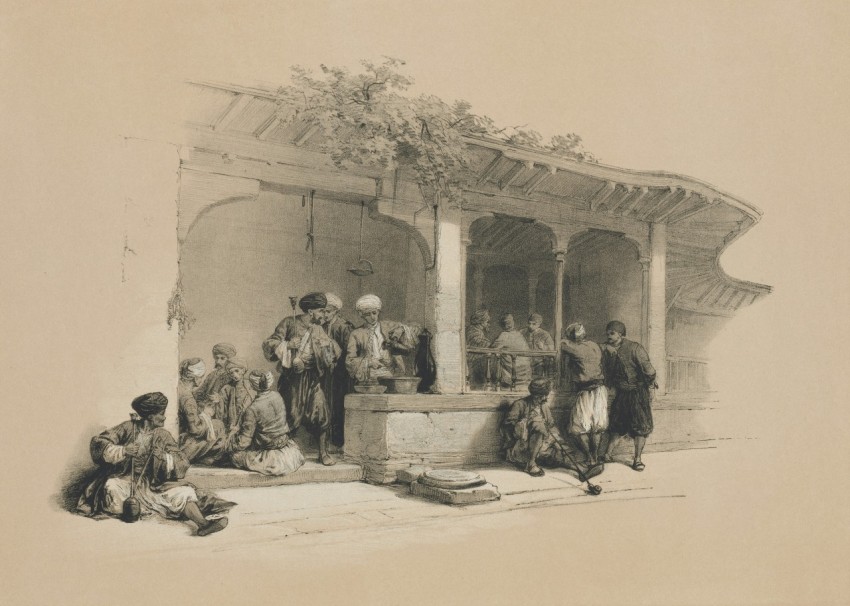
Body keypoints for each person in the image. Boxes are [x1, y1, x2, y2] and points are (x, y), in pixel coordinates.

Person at [76, 392, 232, 536]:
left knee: (184, 493)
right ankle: (136, 511)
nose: (164, 418)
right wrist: (123, 450)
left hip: (153, 485)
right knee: (111, 487)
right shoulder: (128, 428)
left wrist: (164, 458)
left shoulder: (163, 435)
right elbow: (99, 442)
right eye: (161, 414)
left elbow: (182, 461)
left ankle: (203, 525)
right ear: (150, 416)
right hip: (124, 480)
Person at [262, 292, 341, 465]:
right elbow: (269, 344)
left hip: (312, 378)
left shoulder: (319, 329)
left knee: (321, 412)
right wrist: (288, 345)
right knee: (292, 415)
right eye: (321, 311)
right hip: (292, 380)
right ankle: (290, 454)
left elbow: (331, 353)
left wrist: (328, 349)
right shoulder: (289, 322)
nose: (323, 315)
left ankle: (323, 453)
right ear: (311, 311)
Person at [502, 379, 604, 478]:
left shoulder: (544, 407)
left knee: (561, 454)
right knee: (538, 425)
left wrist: (559, 443)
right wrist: (526, 423)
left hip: (544, 448)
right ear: (536, 395)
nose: (545, 398)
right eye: (543, 396)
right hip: (523, 448)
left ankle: (582, 471)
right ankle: (531, 464)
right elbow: (507, 427)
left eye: (546, 395)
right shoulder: (519, 404)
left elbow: (551, 426)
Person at [224, 371, 305, 476]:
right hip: (284, 444)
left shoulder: (253, 409)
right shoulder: (277, 396)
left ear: (252, 385)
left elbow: (245, 442)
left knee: (235, 457)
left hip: (269, 450)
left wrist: (230, 444)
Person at [601, 320, 657, 471]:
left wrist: (644, 386)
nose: (609, 336)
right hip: (621, 393)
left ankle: (637, 459)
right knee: (617, 424)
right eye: (607, 334)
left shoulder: (634, 348)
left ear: (620, 334)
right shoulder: (606, 350)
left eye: (612, 333)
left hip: (638, 394)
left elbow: (650, 371)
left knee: (640, 427)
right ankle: (607, 454)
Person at [560, 322, 608, 465]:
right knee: (597, 427)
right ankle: (595, 457)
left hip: (586, 391)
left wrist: (564, 340)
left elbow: (561, 345)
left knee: (579, 428)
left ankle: (590, 458)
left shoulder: (573, 347)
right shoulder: (594, 345)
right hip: (600, 389)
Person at [346, 294, 419, 384]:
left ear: (378, 312)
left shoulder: (388, 326)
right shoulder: (356, 334)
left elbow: (415, 328)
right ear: (362, 315)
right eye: (368, 314)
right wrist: (368, 362)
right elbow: (350, 360)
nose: (372, 317)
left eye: (374, 313)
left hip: (391, 373)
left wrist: (402, 329)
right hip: (369, 375)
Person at [178, 358, 226, 465]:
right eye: (201, 377)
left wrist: (201, 411)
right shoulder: (187, 398)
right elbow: (195, 430)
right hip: (182, 445)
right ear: (195, 378)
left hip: (178, 435)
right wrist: (206, 416)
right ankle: (211, 458)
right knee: (218, 425)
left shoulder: (179, 388)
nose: (201, 380)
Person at [323, 292, 354, 448]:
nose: (325, 315)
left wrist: (336, 363)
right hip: (325, 374)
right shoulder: (320, 326)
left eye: (328, 311)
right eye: (322, 311)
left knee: (337, 405)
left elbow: (350, 351)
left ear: (336, 311)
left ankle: (338, 442)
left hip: (340, 374)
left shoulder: (343, 326)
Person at [491, 313, 532, 389]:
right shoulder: (519, 334)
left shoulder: (504, 335)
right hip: (526, 370)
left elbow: (493, 348)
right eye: (507, 322)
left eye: (509, 322)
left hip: (514, 371)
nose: (509, 324)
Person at [194, 342, 238, 413]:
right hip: (205, 408)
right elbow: (201, 391)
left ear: (229, 360)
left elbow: (234, 399)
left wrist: (220, 399)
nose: (218, 361)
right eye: (217, 358)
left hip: (221, 411)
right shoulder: (212, 375)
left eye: (222, 358)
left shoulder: (233, 377)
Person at [217, 357, 255, 435]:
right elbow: (221, 412)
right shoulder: (226, 389)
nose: (234, 375)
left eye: (237, 371)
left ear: (243, 370)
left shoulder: (252, 385)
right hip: (232, 427)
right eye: (231, 373)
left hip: (249, 425)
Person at [521, 313, 555, 379]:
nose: (530, 326)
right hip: (524, 363)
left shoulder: (545, 334)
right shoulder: (522, 332)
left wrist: (543, 347)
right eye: (529, 323)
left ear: (539, 324)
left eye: (534, 324)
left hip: (539, 363)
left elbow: (552, 350)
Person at [465, 309, 492, 388]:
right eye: (487, 322)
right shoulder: (473, 330)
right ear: (481, 321)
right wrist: (491, 344)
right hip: (474, 363)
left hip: (477, 362)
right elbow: (480, 343)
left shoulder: (478, 330)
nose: (488, 324)